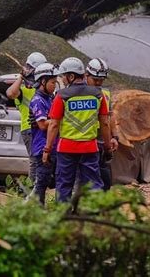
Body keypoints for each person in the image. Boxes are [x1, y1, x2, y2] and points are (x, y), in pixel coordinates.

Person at [43, 57, 112, 202]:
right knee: (94, 185)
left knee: (64, 185)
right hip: (90, 148)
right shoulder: (98, 96)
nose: (62, 79)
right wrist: (107, 147)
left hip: (66, 149)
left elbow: (54, 125)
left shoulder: (61, 96)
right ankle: (93, 217)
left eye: (63, 76)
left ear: (71, 76)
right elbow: (105, 123)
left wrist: (47, 149)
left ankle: (65, 217)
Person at [6, 52, 47, 182]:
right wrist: (21, 77)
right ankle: (32, 189)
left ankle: (37, 188)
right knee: (35, 160)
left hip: (43, 127)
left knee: (41, 160)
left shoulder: (44, 88)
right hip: (29, 129)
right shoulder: (24, 90)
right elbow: (11, 93)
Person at [85, 58, 119, 191]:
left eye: (101, 80)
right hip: (86, 142)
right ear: (86, 76)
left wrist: (114, 137)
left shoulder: (104, 93)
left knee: (105, 180)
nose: (99, 83)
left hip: (102, 141)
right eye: (95, 80)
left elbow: (109, 117)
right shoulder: (78, 93)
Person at [28, 63, 58, 205]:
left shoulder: (50, 98)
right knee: (41, 182)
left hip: (53, 146)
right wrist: (60, 119)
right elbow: (42, 124)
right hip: (42, 147)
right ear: (43, 82)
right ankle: (34, 209)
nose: (55, 85)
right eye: (53, 82)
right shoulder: (37, 100)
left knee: (49, 180)